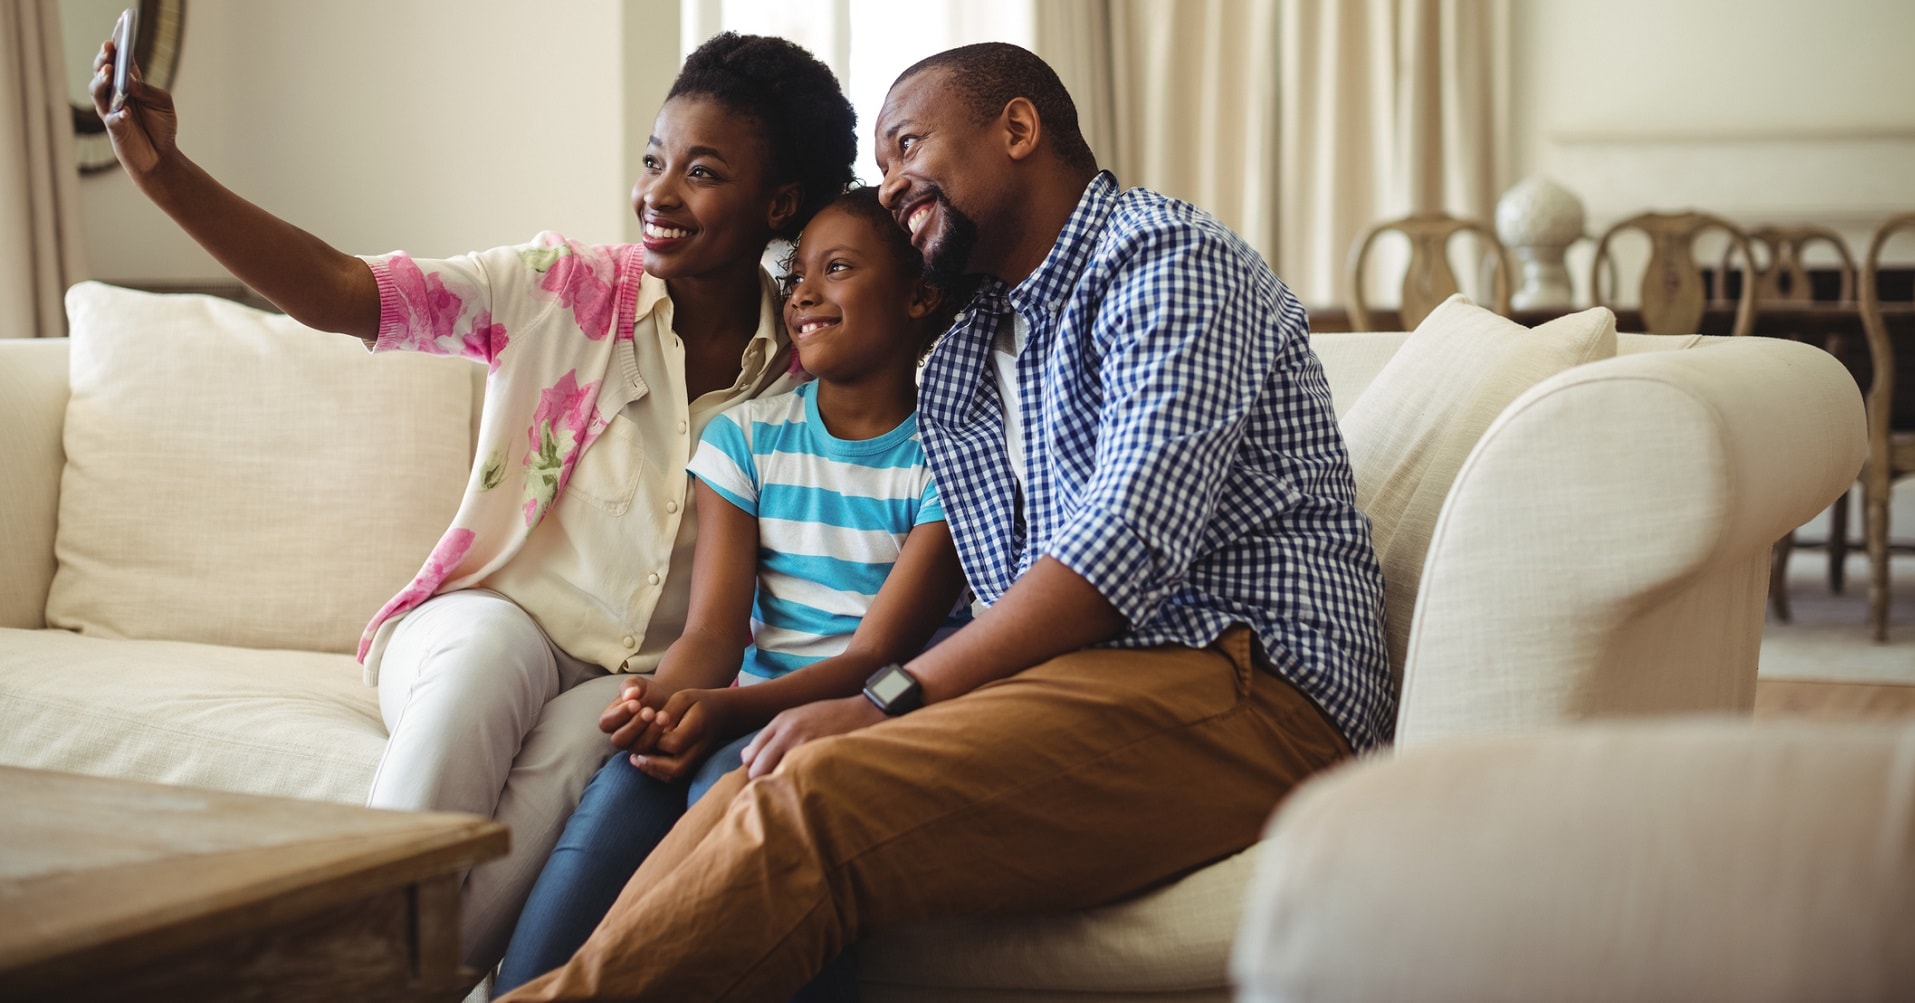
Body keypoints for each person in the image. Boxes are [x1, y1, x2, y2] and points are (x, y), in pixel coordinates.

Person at [498, 39, 1394, 1003]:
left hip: (1252, 683)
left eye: (908, 147)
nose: (889, 188)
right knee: (749, 786)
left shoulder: (1164, 260)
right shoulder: (974, 343)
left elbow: (1115, 550)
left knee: (815, 798)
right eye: (879, 168)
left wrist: (885, 695)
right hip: (1100, 679)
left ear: (1016, 129)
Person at [89, 30, 857, 976]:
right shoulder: (561, 288)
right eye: (653, 161)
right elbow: (344, 293)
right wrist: (169, 176)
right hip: (488, 620)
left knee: (587, 748)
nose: (657, 193)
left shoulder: (810, 362)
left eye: (700, 173)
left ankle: (360, 985)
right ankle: (348, 970)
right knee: (490, 659)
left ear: (778, 201)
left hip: (645, 674)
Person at [495, 187, 971, 993]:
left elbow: (877, 654)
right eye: (796, 277)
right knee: (620, 797)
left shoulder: (953, 463)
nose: (804, 294)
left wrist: (724, 713)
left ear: (921, 296)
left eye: (839, 268)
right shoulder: (746, 437)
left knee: (727, 804)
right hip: (742, 706)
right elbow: (712, 638)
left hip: (851, 723)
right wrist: (664, 703)